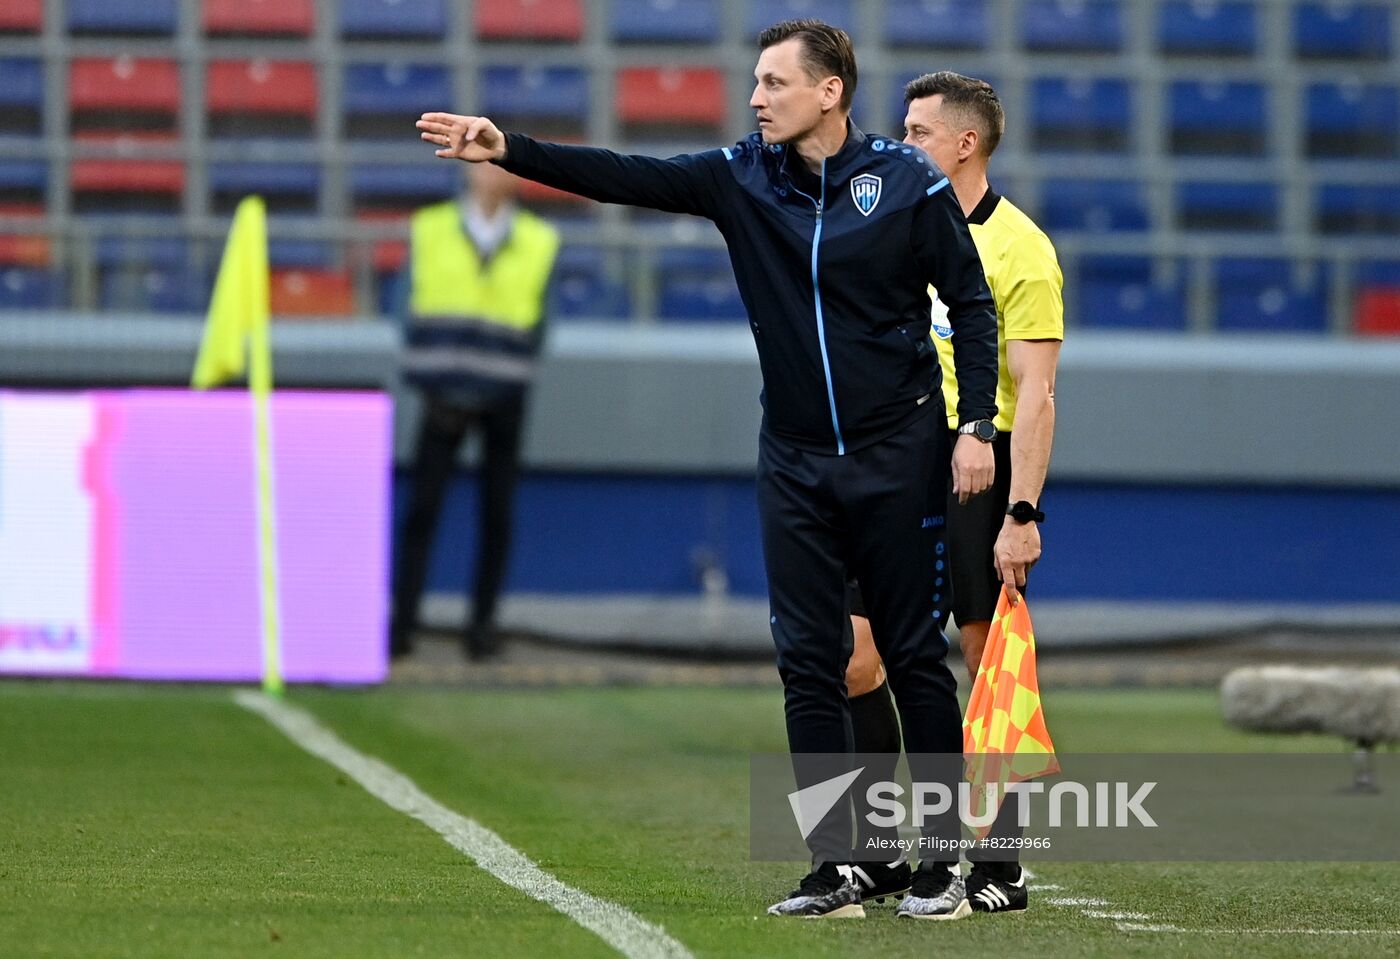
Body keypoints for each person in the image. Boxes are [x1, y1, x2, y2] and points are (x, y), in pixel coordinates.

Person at [416, 18, 998, 920]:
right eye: (756, 83)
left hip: (900, 451)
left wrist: (976, 426)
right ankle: (832, 868)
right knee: (807, 660)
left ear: (829, 90)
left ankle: (940, 864)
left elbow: (970, 301)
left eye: (773, 82)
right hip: (797, 459)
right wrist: (511, 148)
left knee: (916, 658)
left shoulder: (910, 181)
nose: (756, 97)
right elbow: (625, 175)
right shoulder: (740, 177)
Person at [844, 72, 1065, 914]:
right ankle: (877, 855)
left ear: (964, 144)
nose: (902, 146)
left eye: (918, 132)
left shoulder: (1022, 249)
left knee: (983, 663)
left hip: (984, 465)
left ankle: (998, 864)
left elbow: (1036, 395)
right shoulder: (901, 230)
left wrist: (1021, 513)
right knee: (855, 654)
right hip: (899, 462)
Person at [389, 160, 560, 662]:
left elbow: (543, 321)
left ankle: (481, 628)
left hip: (505, 393)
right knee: (422, 510)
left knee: (497, 515)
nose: (490, 176)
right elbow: (403, 305)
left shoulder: (538, 240)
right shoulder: (430, 229)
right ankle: (402, 625)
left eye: (499, 166)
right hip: (441, 393)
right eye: (480, 166)